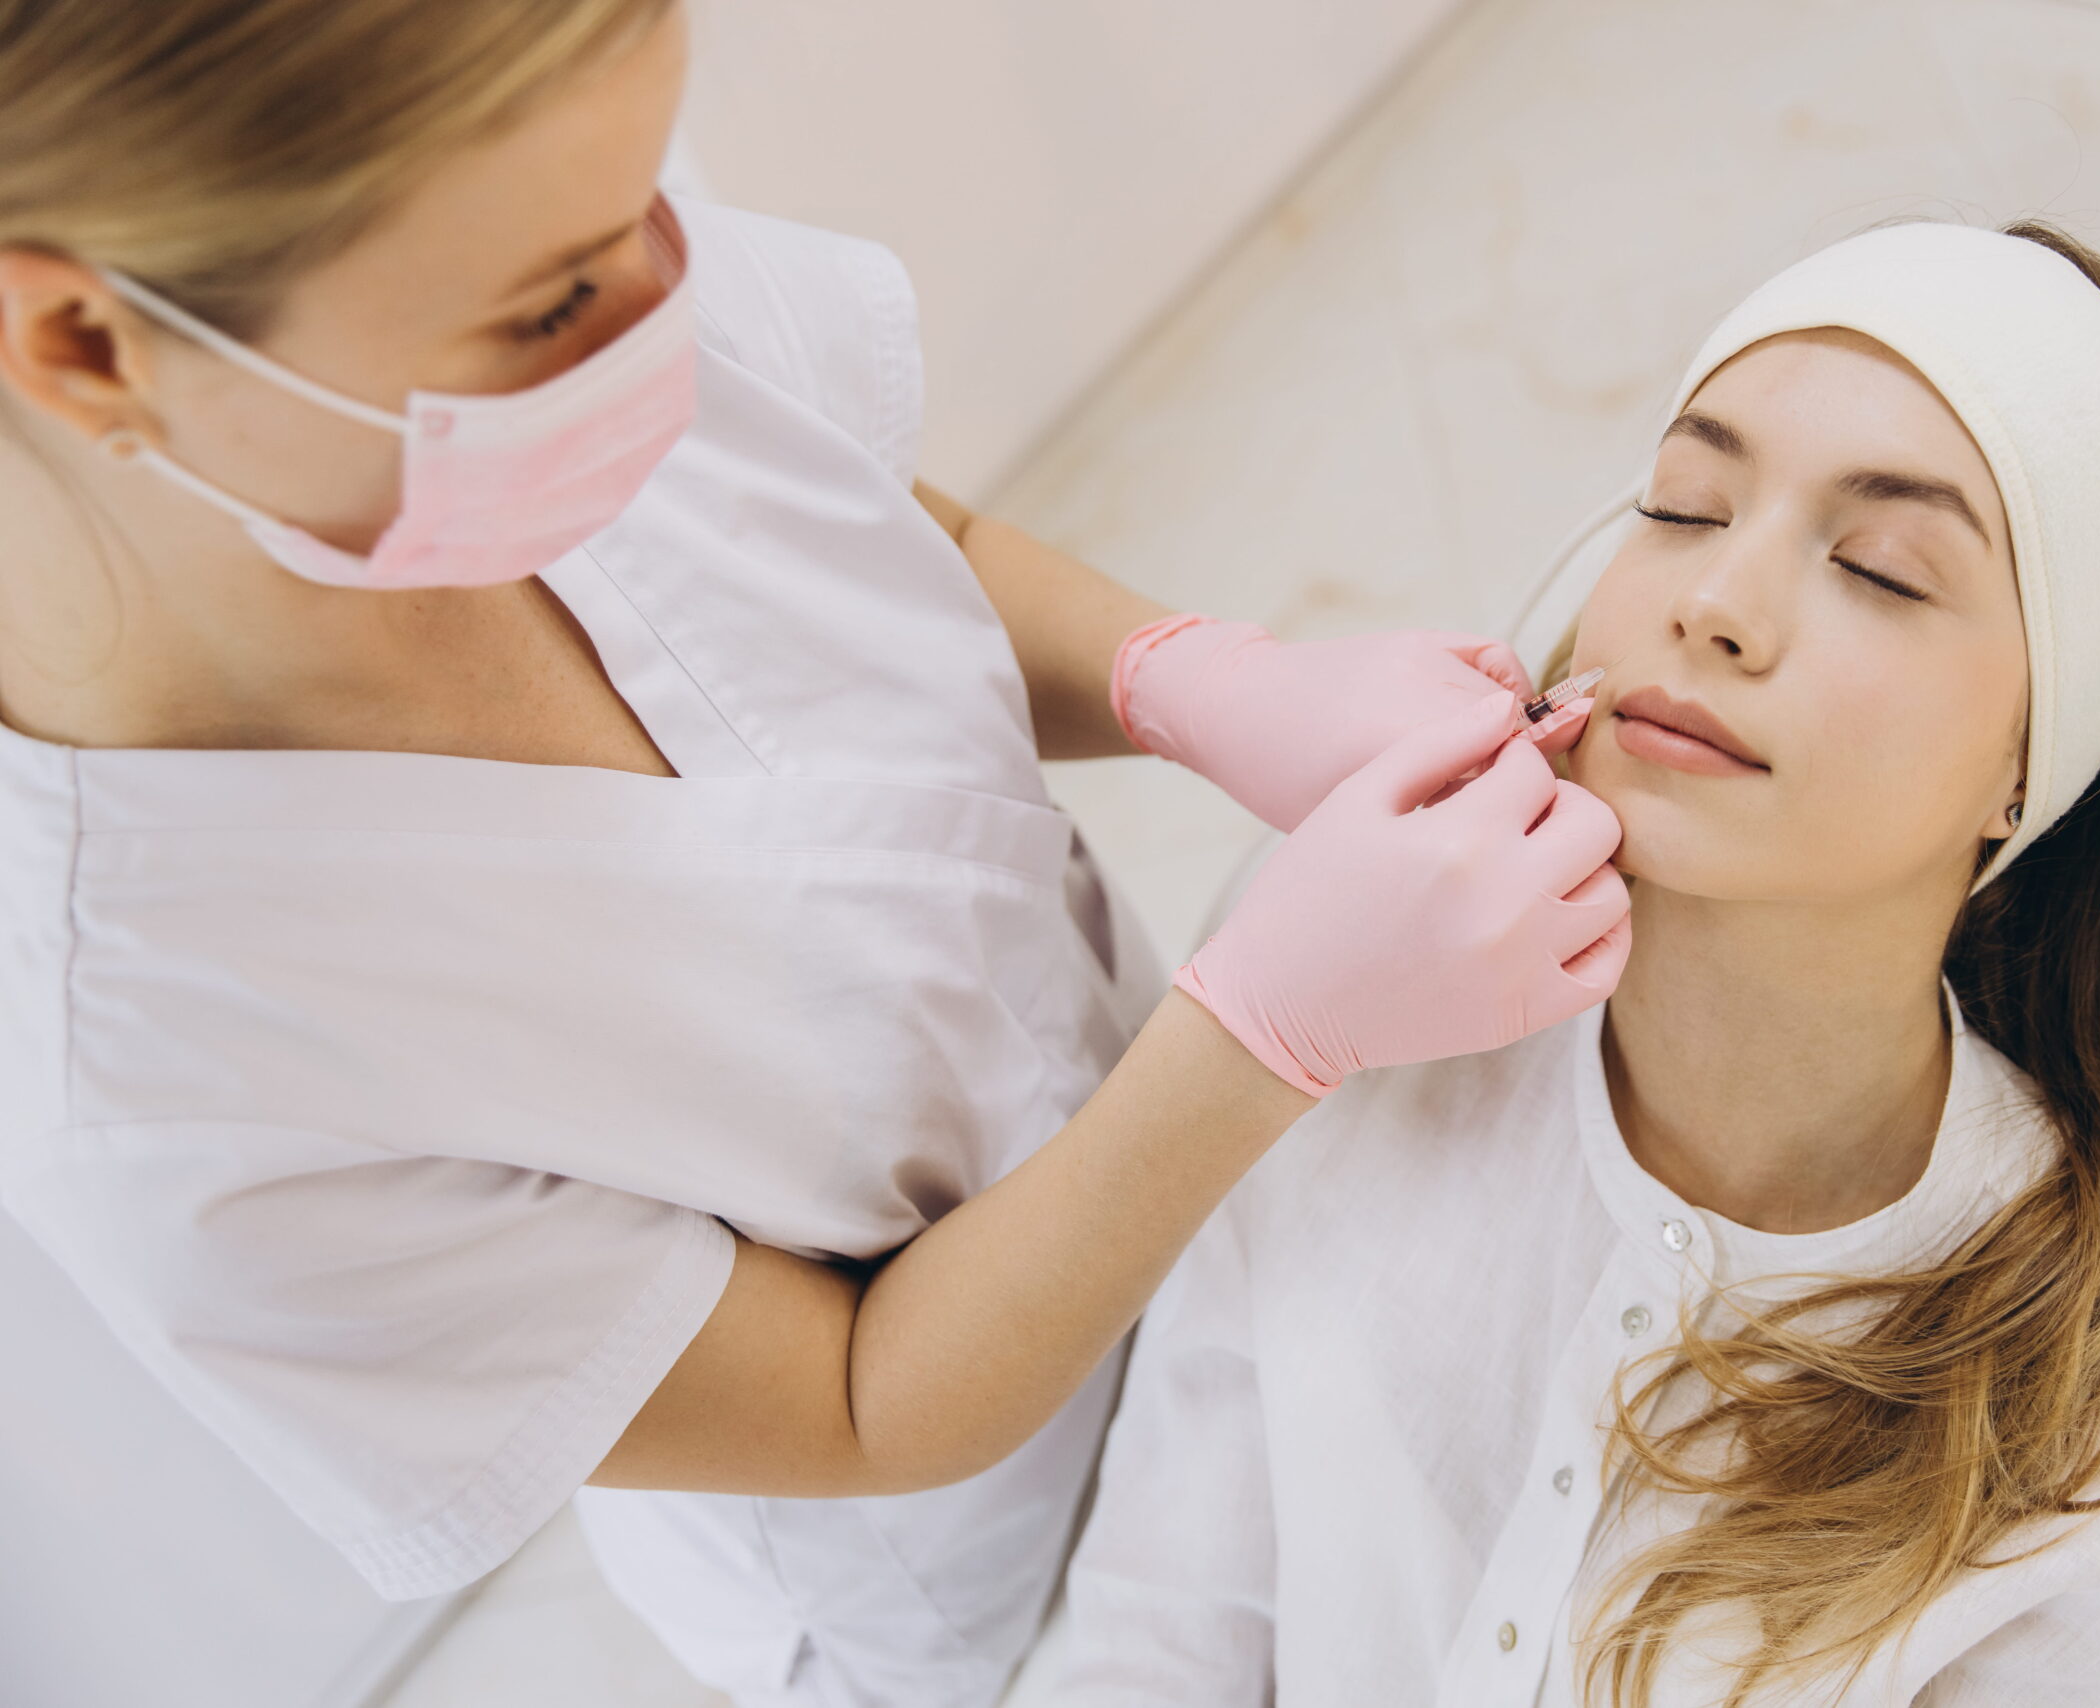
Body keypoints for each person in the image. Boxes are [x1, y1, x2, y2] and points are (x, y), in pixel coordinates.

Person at [0, 3, 1630, 1705]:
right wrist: (1260, 1037)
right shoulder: (173, 1105)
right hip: (998, 1566)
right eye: (553, 307)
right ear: (92, 348)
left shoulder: (542, 238)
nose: (663, 310)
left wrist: (1189, 679)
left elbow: (855, 517)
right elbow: (861, 1404)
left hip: (1217, 1228)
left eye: (653, 204)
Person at [1044, 220, 2100, 1706]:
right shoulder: (1356, 1014)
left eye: (1881, 570)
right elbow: (1148, 1645)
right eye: (1684, 507)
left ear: (2034, 760)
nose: (1716, 604)